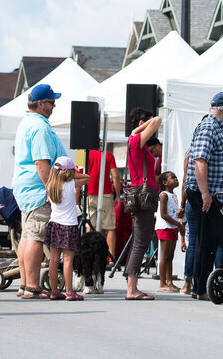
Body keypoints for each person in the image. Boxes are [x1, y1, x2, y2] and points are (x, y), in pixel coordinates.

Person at [11, 83, 66, 300]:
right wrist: (51, 190)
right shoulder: (40, 127)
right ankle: (32, 286)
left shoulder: (27, 122)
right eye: (51, 102)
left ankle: (25, 283)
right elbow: (42, 162)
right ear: (41, 104)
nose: (54, 106)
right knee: (35, 237)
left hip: (25, 187)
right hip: (38, 189)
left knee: (27, 236)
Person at [184, 91, 223, 300]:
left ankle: (200, 286)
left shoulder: (216, 128)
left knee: (207, 240)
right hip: (208, 193)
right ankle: (200, 287)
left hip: (214, 192)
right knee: (206, 241)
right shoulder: (209, 127)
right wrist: (205, 192)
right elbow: (200, 160)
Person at [124, 107, 161, 301]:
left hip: (141, 195)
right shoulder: (136, 140)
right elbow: (158, 119)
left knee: (141, 239)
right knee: (141, 241)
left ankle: (132, 285)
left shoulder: (136, 143)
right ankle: (132, 287)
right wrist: (139, 129)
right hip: (143, 196)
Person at [45, 156, 87, 301]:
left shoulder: (50, 185)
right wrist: (72, 174)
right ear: (69, 172)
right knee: (68, 260)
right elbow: (87, 177)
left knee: (53, 260)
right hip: (69, 225)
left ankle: (54, 290)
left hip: (54, 224)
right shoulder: (71, 184)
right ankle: (70, 292)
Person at [80, 137, 121, 279]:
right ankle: (111, 257)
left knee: (89, 227)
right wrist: (118, 194)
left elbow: (78, 174)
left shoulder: (83, 154)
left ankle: (89, 254)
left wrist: (78, 197)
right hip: (105, 194)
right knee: (109, 226)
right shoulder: (108, 155)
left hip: (89, 193)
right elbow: (115, 175)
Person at [155, 170, 183, 292]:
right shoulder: (164, 195)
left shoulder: (174, 195)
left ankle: (169, 281)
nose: (176, 179)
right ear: (165, 182)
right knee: (164, 255)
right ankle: (162, 283)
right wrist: (178, 224)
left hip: (172, 227)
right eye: (173, 177)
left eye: (176, 177)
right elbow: (163, 214)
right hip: (165, 227)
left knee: (170, 256)